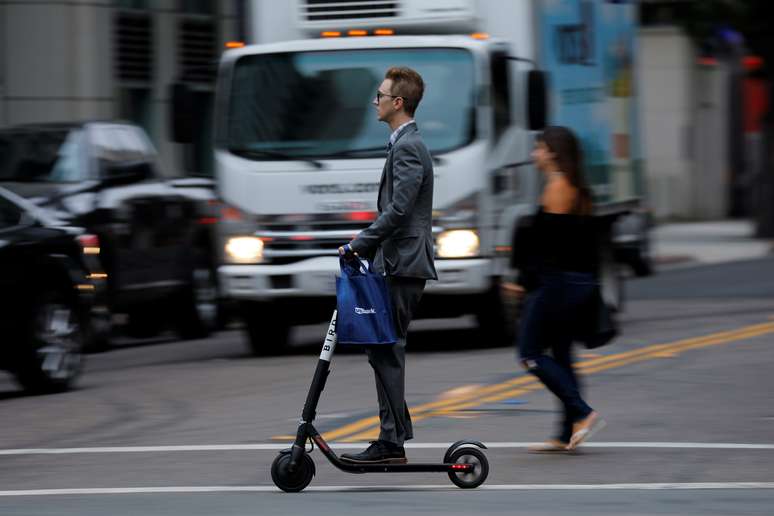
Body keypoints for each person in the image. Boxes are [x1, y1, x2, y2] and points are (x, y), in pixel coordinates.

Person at [337, 67, 437, 464]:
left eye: (379, 95)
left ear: (398, 103)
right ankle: (392, 439)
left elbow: (398, 211)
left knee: (386, 347)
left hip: (402, 263)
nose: (374, 101)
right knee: (382, 348)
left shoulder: (409, 146)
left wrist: (358, 244)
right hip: (395, 261)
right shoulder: (402, 144)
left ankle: (391, 443)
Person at [502, 126, 604, 452]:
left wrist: (522, 282)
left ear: (554, 152)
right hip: (574, 282)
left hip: (557, 284)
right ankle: (564, 433)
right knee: (561, 355)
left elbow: (549, 249)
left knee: (529, 353)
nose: (534, 154)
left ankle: (583, 412)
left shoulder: (558, 188)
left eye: (539, 148)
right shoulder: (574, 187)